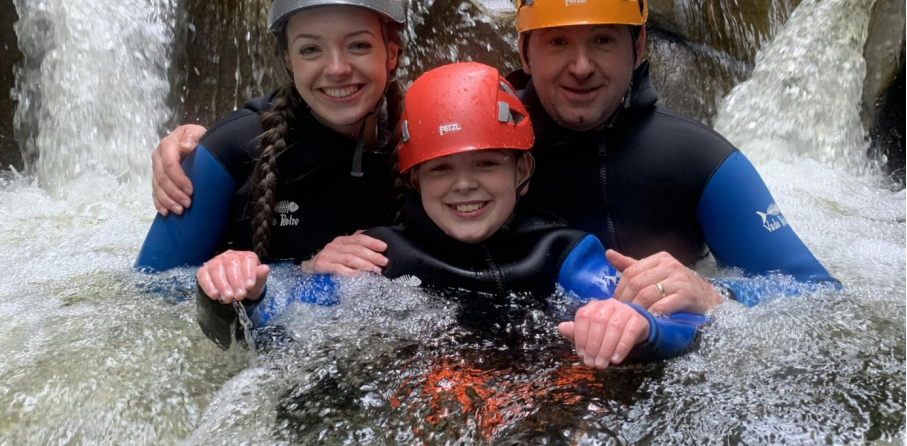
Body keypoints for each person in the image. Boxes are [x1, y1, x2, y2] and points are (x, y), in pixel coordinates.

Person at [149, 0, 841, 315]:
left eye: (603, 41)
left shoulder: (700, 161)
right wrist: (279, 277)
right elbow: (140, 299)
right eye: (557, 43)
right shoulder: (471, 125)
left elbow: (822, 302)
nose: (579, 67)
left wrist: (717, 295)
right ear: (523, 49)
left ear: (639, 47)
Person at [197, 62, 709, 370]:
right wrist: (236, 294)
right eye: (442, 168)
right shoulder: (376, 257)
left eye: (486, 163)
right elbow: (273, 324)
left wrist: (640, 325)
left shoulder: (562, 254)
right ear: (415, 179)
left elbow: (683, 319)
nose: (465, 184)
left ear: (521, 170)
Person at [135, 0, 405, 300]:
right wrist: (303, 274)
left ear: (391, 53)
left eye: (358, 45)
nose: (337, 68)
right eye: (311, 49)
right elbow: (148, 294)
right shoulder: (228, 150)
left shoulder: (426, 137)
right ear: (289, 60)